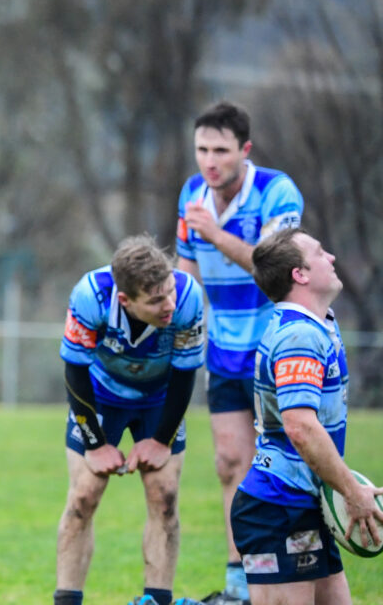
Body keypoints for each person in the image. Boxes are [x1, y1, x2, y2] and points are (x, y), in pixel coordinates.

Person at [175, 101, 305, 605]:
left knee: (289, 462)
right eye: (202, 149)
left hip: (277, 350)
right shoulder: (192, 193)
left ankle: (296, 575)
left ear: (244, 151)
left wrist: (212, 232)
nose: (209, 161)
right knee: (231, 462)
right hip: (223, 350)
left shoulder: (276, 192)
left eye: (221, 151)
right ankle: (240, 583)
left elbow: (273, 267)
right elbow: (187, 275)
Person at [231, 228, 383, 605]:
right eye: (319, 252)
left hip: (303, 501)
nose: (330, 257)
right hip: (277, 507)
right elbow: (300, 427)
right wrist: (352, 492)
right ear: (299, 274)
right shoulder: (299, 335)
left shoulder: (316, 325)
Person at [53, 235, 206, 605]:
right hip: (100, 394)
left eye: (168, 291)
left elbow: (186, 374)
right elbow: (74, 370)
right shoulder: (92, 296)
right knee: (84, 496)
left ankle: (158, 600)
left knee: (165, 496)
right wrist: (96, 444)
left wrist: (161, 440)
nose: (168, 304)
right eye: (155, 300)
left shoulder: (187, 297)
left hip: (160, 397)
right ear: (126, 299)